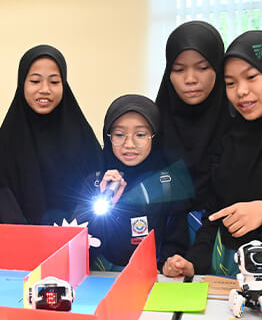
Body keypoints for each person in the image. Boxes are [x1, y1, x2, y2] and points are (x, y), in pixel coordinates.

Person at [163, 30, 262, 280]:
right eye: (231, 83)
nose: (241, 91)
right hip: (240, 278)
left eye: (252, 77)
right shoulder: (232, 141)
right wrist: (193, 263)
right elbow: (216, 214)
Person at [0, 44, 102, 225]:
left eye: (54, 82)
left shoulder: (80, 134)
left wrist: (71, 232)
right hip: (25, 242)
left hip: (79, 236)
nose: (45, 89)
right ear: (22, 83)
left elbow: (93, 187)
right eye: (35, 81)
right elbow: (6, 200)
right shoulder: (11, 138)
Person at [74, 94, 190, 271]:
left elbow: (176, 242)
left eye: (140, 134)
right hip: (101, 279)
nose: (129, 144)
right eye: (119, 135)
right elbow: (82, 245)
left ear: (155, 136)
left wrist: (169, 265)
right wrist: (108, 200)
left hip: (152, 277)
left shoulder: (168, 184)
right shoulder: (96, 183)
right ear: (108, 137)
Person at [156, 21, 231, 241]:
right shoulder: (153, 127)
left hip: (225, 244)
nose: (190, 79)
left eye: (202, 67)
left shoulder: (240, 126)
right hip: (165, 242)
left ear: (218, 67)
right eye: (179, 69)